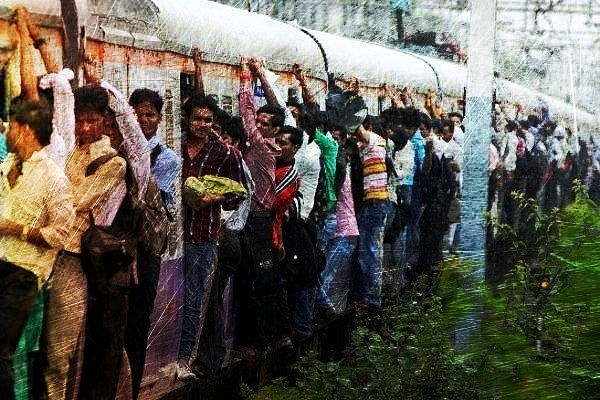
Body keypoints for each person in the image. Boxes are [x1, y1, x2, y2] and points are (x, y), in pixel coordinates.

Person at [0, 96, 75, 400]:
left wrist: (17, 229)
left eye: (11, 125)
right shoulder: (7, 166)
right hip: (2, 266)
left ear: (24, 129)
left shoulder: (53, 177)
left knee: (6, 355)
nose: (6, 131)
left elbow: (60, 233)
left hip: (25, 276)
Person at [177, 94, 246, 381]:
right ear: (187, 119)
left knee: (195, 298)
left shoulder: (224, 153)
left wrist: (210, 198)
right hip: (173, 235)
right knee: (173, 295)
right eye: (196, 119)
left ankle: (184, 359)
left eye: (207, 120)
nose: (201, 124)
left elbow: (237, 193)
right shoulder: (176, 146)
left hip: (203, 235)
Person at [127, 88, 181, 398]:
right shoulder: (121, 148)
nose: (144, 119)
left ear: (159, 119)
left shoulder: (165, 158)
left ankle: (131, 389)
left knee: (137, 322)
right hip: (122, 248)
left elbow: (147, 201)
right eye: (139, 113)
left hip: (146, 249)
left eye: (150, 114)